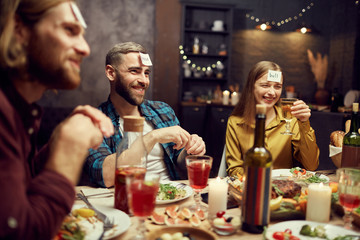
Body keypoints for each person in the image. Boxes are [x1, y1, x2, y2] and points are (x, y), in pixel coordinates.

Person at [0, 1, 114, 239]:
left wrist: (57, 143)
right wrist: (70, 148)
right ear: (19, 30)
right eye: (70, 30)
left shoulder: (21, 111)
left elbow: (23, 188)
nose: (85, 48)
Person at [85, 42, 206, 187]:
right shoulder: (94, 122)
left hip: (171, 196)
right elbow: (104, 175)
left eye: (146, 73)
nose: (144, 80)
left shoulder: (163, 110)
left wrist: (191, 150)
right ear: (111, 73)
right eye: (134, 71)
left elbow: (180, 162)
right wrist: (152, 137)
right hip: (126, 201)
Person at [225, 61, 319, 176]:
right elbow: (234, 170)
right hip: (252, 186)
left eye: (277, 86)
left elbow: (312, 165)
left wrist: (304, 123)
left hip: (283, 188)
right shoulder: (235, 122)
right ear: (251, 87)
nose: (272, 92)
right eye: (265, 85)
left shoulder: (290, 119)